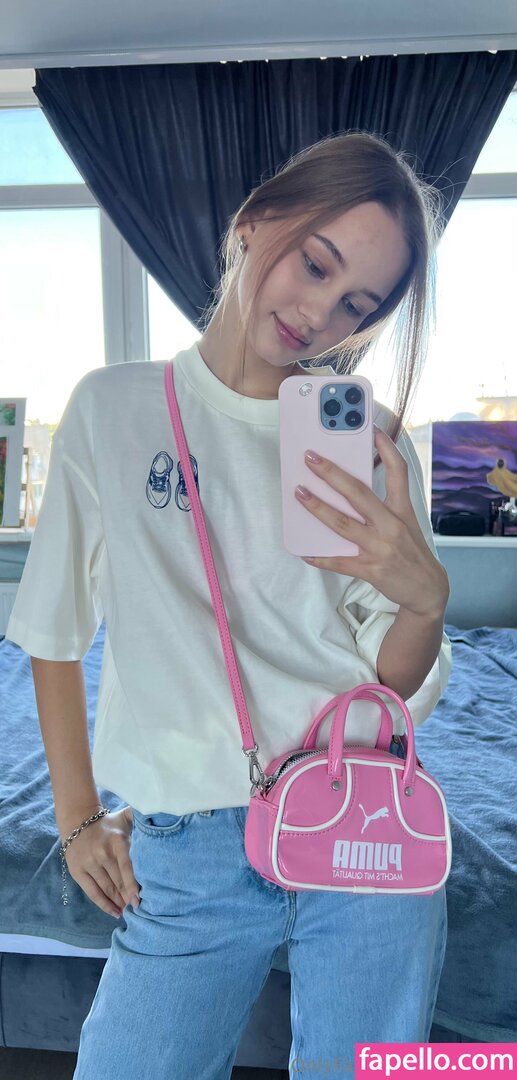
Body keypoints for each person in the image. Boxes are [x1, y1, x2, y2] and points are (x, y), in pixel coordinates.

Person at [6, 131, 452, 1079]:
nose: (319, 313)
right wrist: (78, 816)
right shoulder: (112, 409)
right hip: (189, 846)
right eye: (316, 264)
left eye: (356, 304)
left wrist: (424, 602)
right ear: (255, 222)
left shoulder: (370, 445)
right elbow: (52, 628)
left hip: (365, 829)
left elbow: (393, 684)